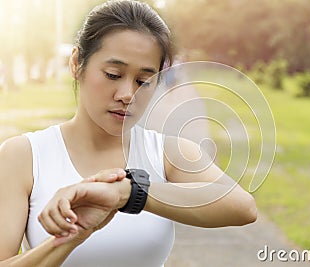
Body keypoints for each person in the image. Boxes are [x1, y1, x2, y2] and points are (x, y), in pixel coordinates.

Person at [0, 1, 257, 266]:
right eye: (113, 74)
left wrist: (130, 193)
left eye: (143, 81)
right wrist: (71, 238)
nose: (127, 95)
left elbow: (242, 207)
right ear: (77, 63)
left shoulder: (165, 153)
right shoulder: (25, 156)